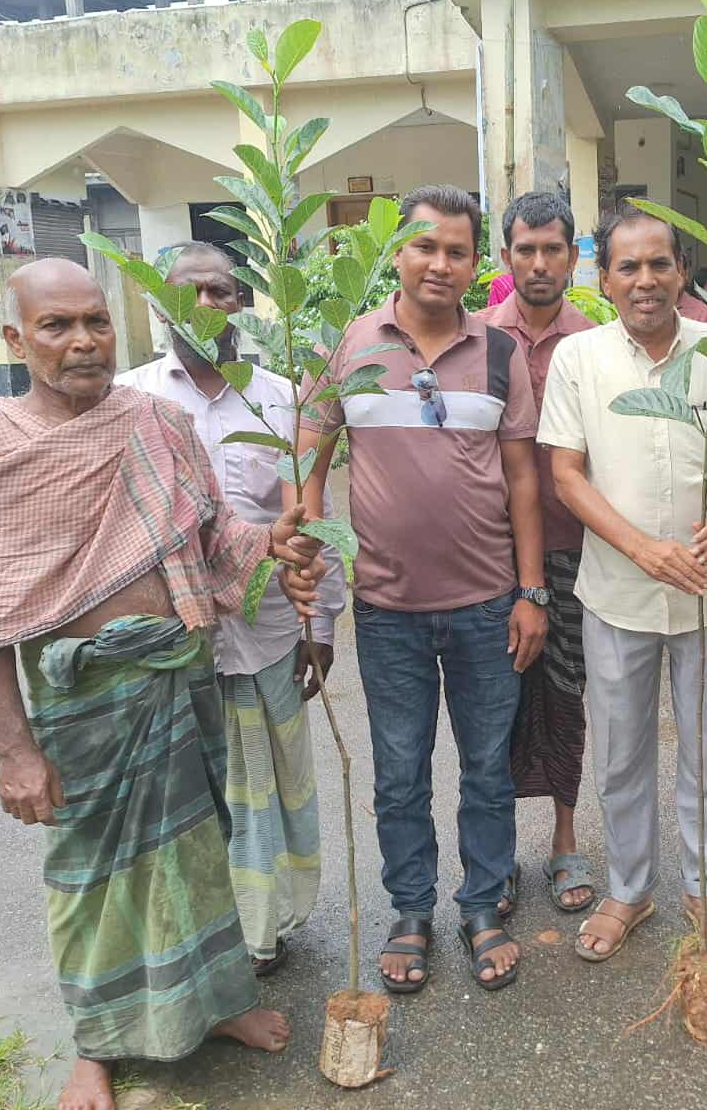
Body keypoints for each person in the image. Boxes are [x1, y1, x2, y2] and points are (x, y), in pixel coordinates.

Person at [0, 258, 326, 1110]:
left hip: (180, 672)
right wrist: (15, 751)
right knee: (90, 877)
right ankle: (98, 1044)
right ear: (16, 338)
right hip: (81, 699)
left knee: (197, 853)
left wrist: (277, 541)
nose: (82, 341)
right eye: (56, 326)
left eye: (95, 321)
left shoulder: (157, 421)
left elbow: (216, 535)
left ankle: (221, 1002)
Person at [296, 184, 547, 994]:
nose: (441, 263)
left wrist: (530, 592)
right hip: (388, 609)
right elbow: (313, 439)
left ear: (479, 264)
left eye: (458, 250)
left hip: (484, 606)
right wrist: (307, 530)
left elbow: (523, 482)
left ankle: (482, 906)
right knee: (399, 771)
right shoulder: (353, 342)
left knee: (485, 768)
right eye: (425, 246)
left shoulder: (500, 354)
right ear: (398, 252)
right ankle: (411, 911)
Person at [539, 205, 707, 964]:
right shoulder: (580, 359)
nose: (646, 280)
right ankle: (628, 889)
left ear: (683, 272)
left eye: (660, 264)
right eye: (628, 267)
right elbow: (565, 474)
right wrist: (640, 547)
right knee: (622, 754)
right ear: (603, 279)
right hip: (617, 594)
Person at [117, 242, 347, 977]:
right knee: (190, 794)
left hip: (272, 632)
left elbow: (311, 518)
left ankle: (264, 927)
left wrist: (327, 625)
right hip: (175, 640)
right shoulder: (131, 400)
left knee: (269, 787)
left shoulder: (282, 398)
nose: (210, 305)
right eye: (193, 292)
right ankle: (205, 935)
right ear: (161, 303)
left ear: (243, 302)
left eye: (224, 291)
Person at [481, 192, 599, 913]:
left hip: (575, 553)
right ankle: (492, 855)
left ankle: (564, 842)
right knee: (490, 703)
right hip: (489, 554)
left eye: (554, 248)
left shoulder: (592, 342)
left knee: (565, 694)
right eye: (526, 249)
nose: (539, 263)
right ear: (505, 258)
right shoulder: (477, 341)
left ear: (574, 256)